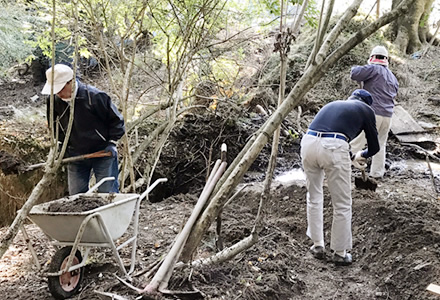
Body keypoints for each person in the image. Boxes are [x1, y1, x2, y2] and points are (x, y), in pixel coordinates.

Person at [300, 89, 379, 266]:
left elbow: (330, 134)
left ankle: (317, 245)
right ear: (367, 103)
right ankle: (340, 253)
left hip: (308, 142)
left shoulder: (334, 105)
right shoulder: (366, 110)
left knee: (314, 197)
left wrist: (351, 157)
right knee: (342, 203)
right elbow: (374, 147)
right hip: (334, 147)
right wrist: (362, 154)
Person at [41, 64, 125, 195]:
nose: (58, 93)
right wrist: (63, 146)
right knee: (76, 196)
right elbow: (55, 126)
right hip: (75, 155)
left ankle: (112, 215)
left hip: (103, 152)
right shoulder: (54, 101)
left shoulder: (94, 97)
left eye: (60, 88)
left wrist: (111, 142)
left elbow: (116, 121)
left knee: (107, 193)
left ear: (71, 82)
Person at [350, 45, 399, 179]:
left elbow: (354, 73)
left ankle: (339, 167)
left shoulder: (374, 68)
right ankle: (377, 174)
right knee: (379, 145)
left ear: (372, 57)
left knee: (356, 142)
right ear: (387, 59)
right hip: (387, 116)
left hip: (372, 114)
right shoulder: (393, 77)